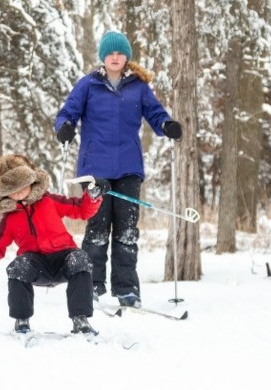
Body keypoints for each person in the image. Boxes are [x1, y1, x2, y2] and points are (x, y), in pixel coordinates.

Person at [54, 31, 182, 308]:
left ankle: (126, 289)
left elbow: (156, 114)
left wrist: (167, 125)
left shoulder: (138, 87)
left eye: (120, 53)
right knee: (97, 229)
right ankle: (93, 286)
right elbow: (68, 113)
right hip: (94, 169)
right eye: (110, 53)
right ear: (103, 56)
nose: (115, 57)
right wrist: (64, 127)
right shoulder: (88, 85)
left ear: (127, 57)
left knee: (126, 231)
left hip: (128, 169)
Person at [0, 154, 110, 334]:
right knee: (18, 266)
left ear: (32, 181)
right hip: (36, 265)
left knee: (80, 259)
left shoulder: (50, 201)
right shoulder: (10, 219)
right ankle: (22, 321)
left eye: (22, 185)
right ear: (3, 193)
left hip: (64, 259)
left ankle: (80, 320)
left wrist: (93, 196)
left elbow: (81, 209)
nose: (18, 192)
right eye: (12, 189)